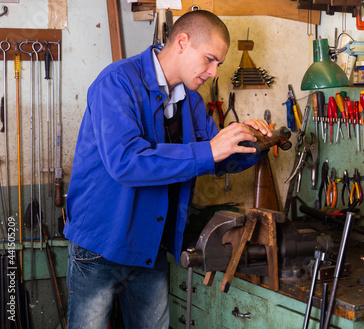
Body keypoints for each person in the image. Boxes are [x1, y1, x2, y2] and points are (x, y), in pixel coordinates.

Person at [64, 10, 271, 328]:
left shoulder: (191, 101)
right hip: (101, 246)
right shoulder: (117, 82)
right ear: (183, 42)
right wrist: (210, 149)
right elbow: (126, 163)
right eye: (210, 59)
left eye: (218, 64)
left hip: (151, 245)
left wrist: (251, 142)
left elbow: (214, 157)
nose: (213, 72)